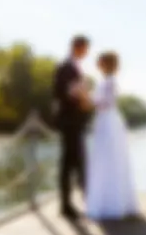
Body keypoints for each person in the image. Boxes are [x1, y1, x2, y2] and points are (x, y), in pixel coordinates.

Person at [85, 52, 139, 220]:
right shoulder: (106, 81)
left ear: (106, 64)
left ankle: (110, 204)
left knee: (108, 159)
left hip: (108, 122)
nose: (98, 65)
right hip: (105, 121)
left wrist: (85, 97)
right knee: (105, 160)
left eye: (100, 62)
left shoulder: (110, 82)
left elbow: (106, 104)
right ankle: (108, 202)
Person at [51, 35, 91, 220]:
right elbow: (63, 92)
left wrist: (83, 96)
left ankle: (80, 199)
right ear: (77, 47)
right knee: (68, 162)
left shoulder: (73, 66)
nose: (86, 52)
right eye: (85, 49)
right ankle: (65, 206)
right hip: (69, 121)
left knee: (76, 160)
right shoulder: (65, 67)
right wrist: (83, 98)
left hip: (75, 121)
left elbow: (73, 90)